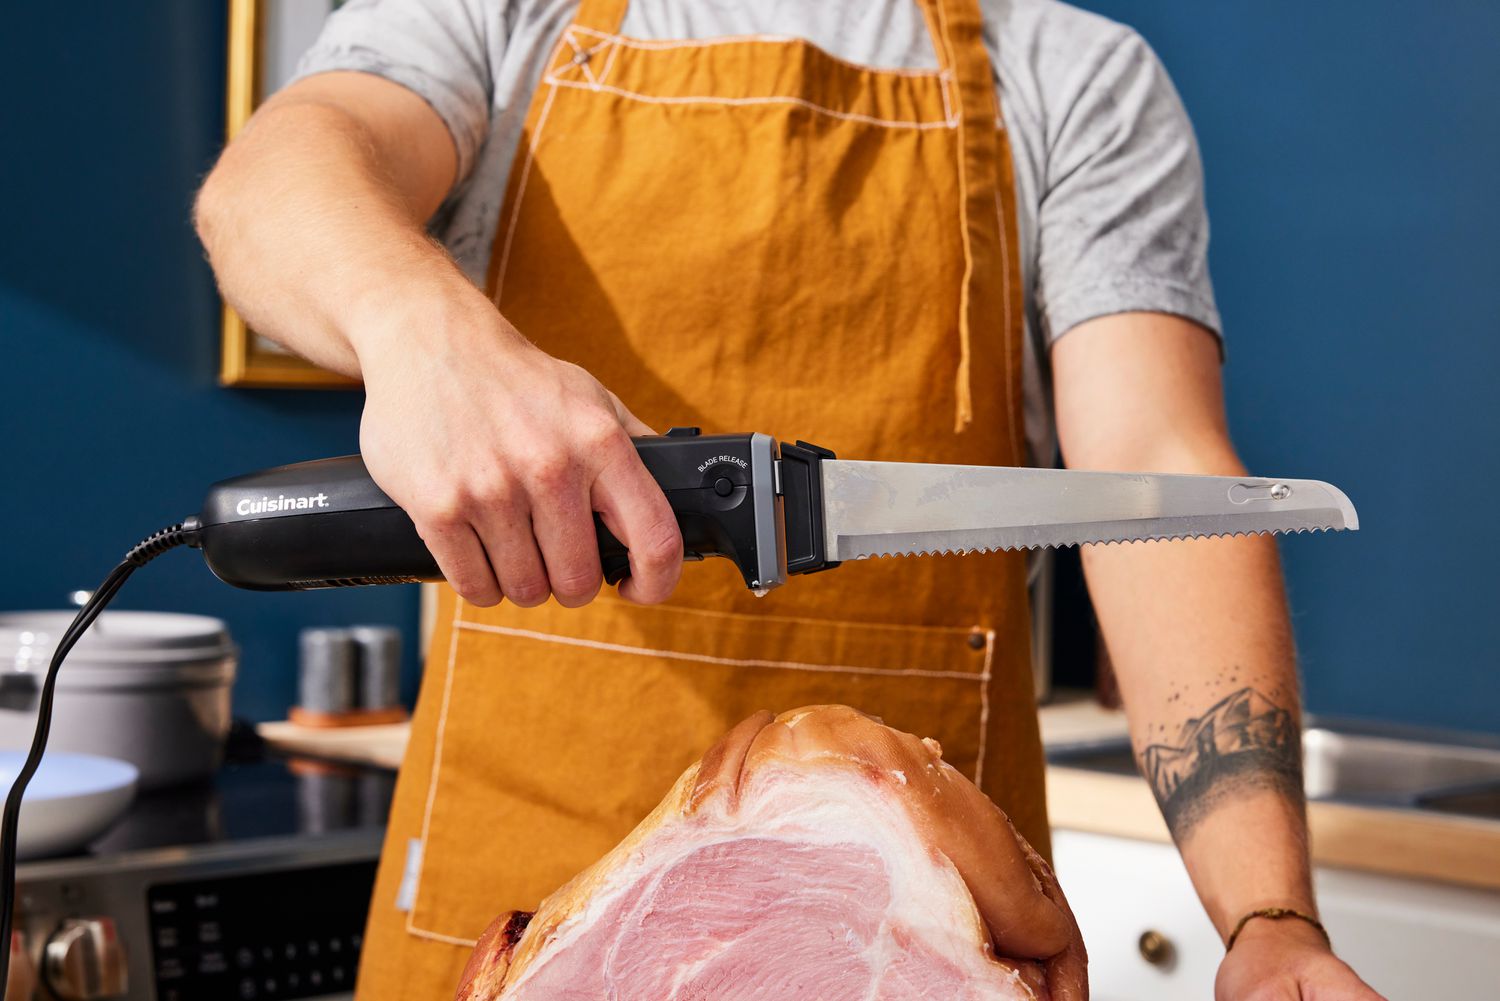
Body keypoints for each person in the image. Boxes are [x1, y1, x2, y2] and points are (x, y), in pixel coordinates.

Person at [194, 0, 1384, 997]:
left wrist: (1267, 914)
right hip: (522, 924)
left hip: (913, 940)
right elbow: (272, 183)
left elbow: (1156, 472)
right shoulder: (502, 16)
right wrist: (424, 332)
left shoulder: (1074, 78)